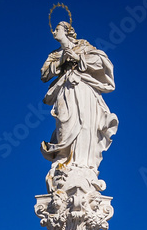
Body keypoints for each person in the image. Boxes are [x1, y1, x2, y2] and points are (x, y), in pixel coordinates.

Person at [41, 21, 119, 177]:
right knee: (64, 121)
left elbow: (101, 61)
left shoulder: (83, 46)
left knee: (85, 122)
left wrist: (78, 57)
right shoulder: (54, 54)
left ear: (67, 31)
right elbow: (44, 75)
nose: (54, 32)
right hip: (65, 89)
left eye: (57, 29)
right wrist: (61, 61)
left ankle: (83, 162)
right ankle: (63, 158)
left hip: (84, 87)